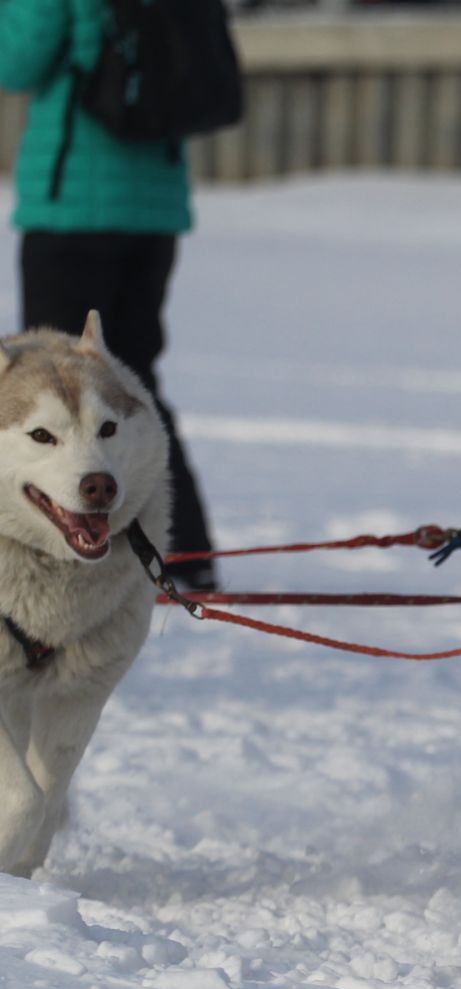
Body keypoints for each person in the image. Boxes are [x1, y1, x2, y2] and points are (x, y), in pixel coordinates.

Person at [0, 0, 218, 588]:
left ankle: (89, 569)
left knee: (45, 395)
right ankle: (182, 555)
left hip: (74, 205)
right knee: (126, 385)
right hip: (153, 206)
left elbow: (16, 60)